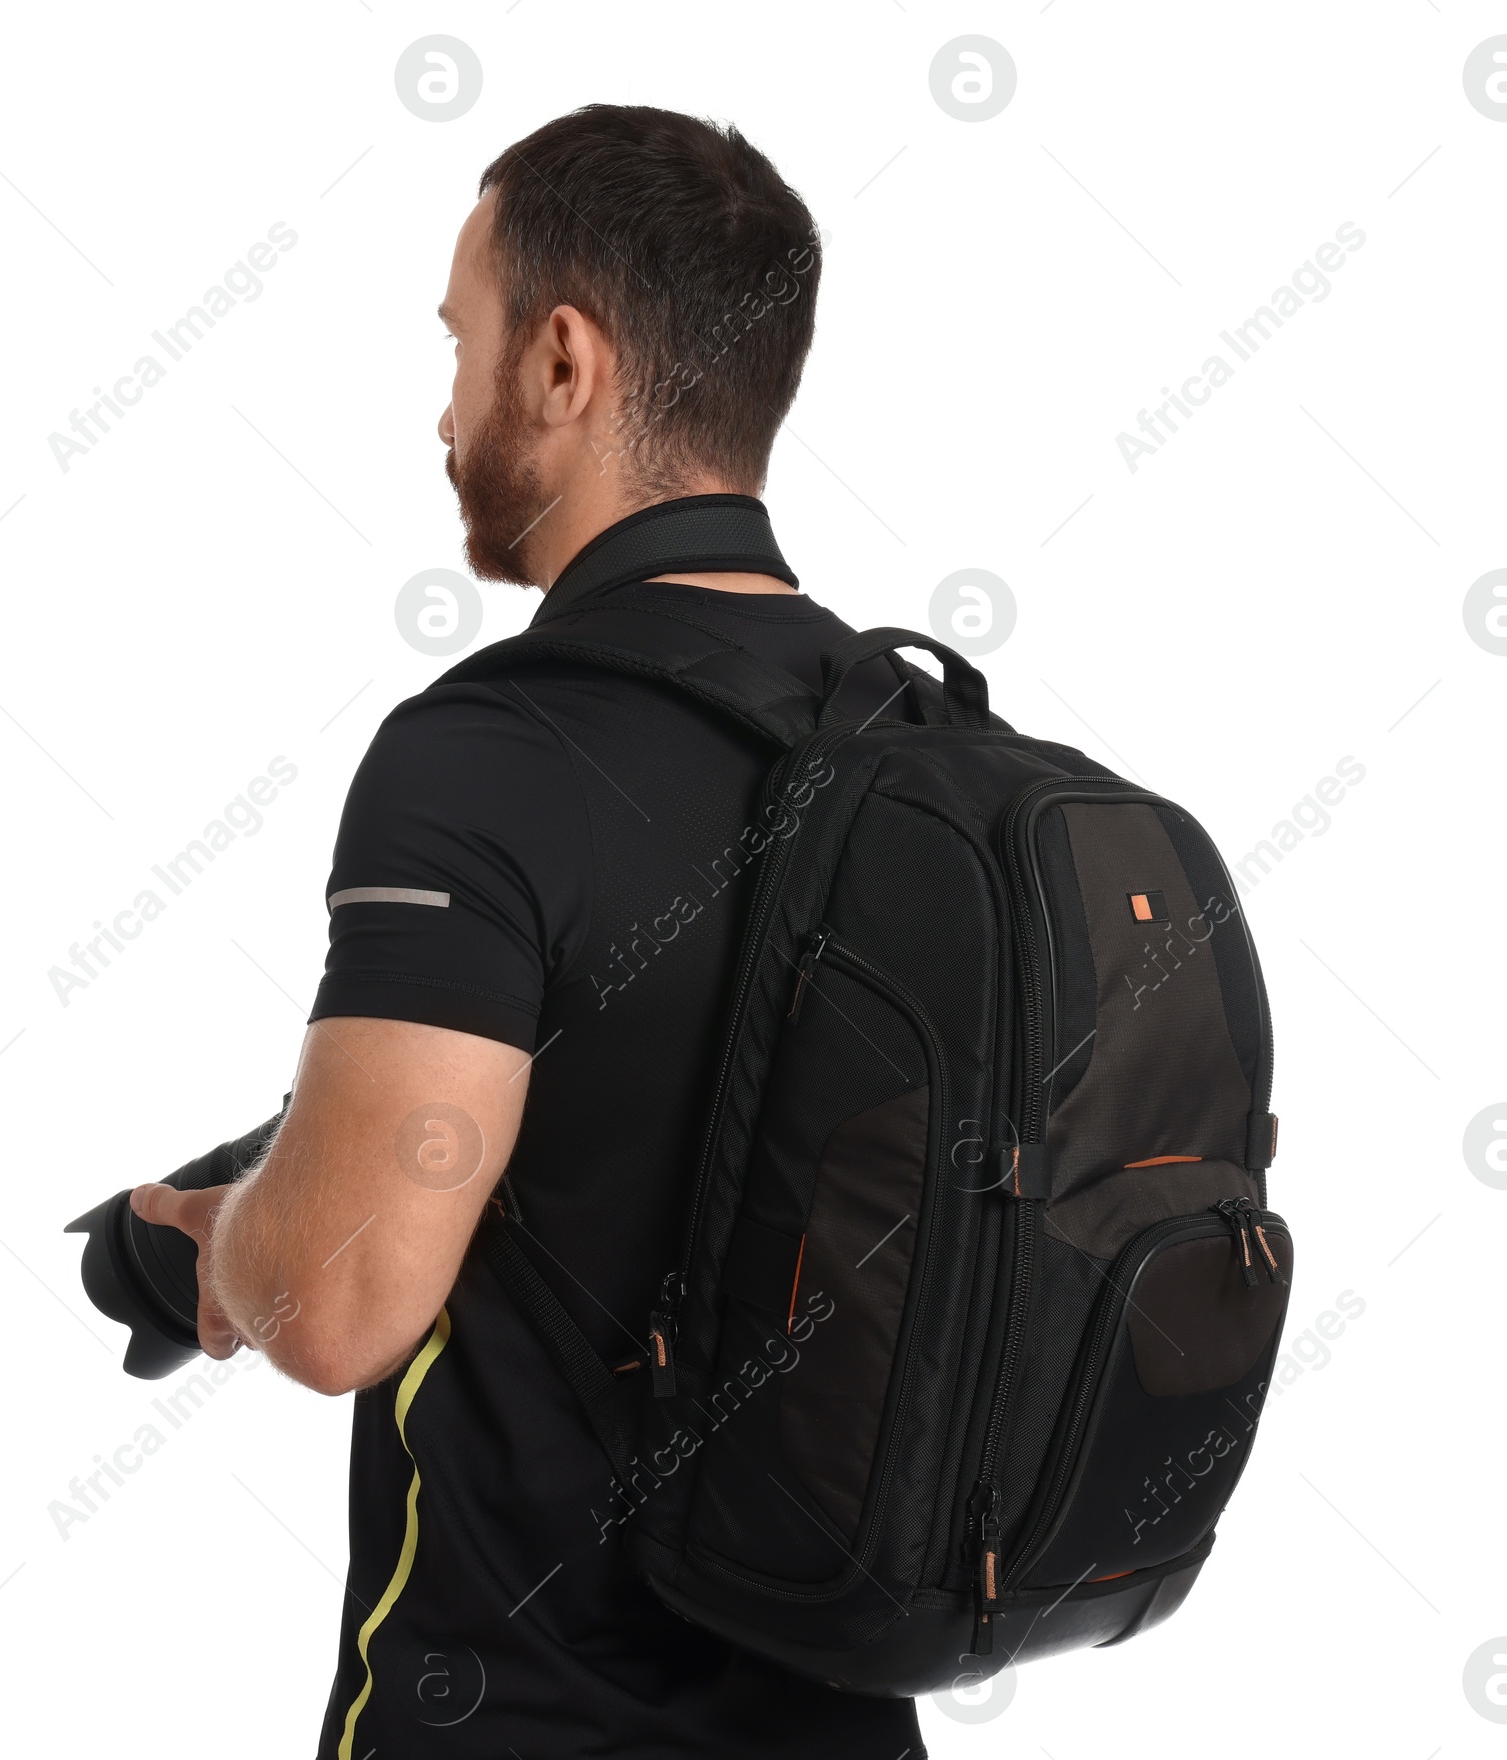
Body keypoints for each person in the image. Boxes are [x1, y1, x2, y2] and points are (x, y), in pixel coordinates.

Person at [130, 104, 927, 1759]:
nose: (442, 410)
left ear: (564, 364)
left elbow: (341, 1300)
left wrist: (216, 1244)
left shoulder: (490, 752)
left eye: (460, 344)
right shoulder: (917, 758)